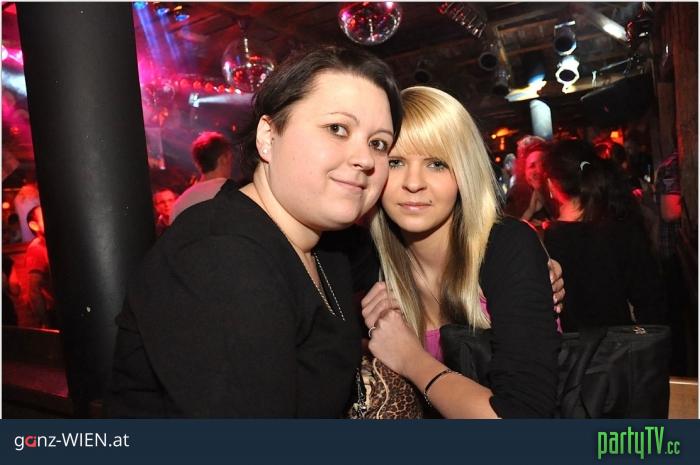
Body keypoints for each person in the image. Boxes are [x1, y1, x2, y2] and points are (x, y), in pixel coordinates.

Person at [108, 45, 403, 418]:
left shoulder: (325, 245)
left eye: (378, 144)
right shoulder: (220, 257)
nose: (364, 159)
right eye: (337, 129)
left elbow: (411, 262)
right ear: (267, 136)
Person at [361, 86, 561, 418]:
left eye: (437, 164)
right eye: (395, 162)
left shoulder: (505, 247)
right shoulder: (366, 263)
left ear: (464, 171)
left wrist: (410, 359)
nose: (414, 183)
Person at [542, 139, 666, 332]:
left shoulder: (551, 239)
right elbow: (648, 295)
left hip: (575, 348)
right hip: (624, 342)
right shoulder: (619, 222)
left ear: (551, 184)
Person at [170, 131, 234, 222]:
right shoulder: (236, 195)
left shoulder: (180, 204)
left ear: (197, 164)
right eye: (231, 157)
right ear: (224, 159)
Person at [504, 135, 556, 226]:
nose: (538, 171)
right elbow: (508, 229)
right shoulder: (517, 194)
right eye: (532, 166)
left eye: (542, 165)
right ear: (524, 170)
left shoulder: (556, 191)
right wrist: (530, 212)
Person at [24, 205, 57, 328]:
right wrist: (46, 323)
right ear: (34, 225)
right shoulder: (36, 248)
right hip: (55, 314)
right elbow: (34, 291)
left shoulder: (55, 243)